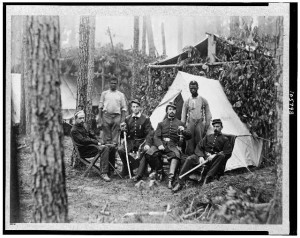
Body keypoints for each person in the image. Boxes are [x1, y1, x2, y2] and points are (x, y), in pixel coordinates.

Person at [172, 119, 232, 193]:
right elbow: (199, 146)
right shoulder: (208, 137)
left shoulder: (225, 139)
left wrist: (214, 156)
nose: (216, 128)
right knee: (190, 158)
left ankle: (207, 179)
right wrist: (200, 156)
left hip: (214, 160)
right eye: (214, 126)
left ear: (221, 127)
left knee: (221, 156)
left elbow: (227, 152)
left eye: (218, 126)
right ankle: (180, 182)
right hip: (204, 158)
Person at [145, 102, 191, 189]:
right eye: (170, 109)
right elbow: (156, 136)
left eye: (173, 109)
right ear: (167, 111)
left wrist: (184, 130)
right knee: (149, 153)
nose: (172, 111)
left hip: (172, 145)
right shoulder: (161, 124)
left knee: (175, 155)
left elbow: (189, 136)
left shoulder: (180, 123)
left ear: (175, 111)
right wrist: (159, 145)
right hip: (162, 144)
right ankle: (159, 171)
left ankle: (170, 179)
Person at [70, 110, 112, 182]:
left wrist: (99, 141)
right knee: (104, 148)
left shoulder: (84, 126)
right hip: (84, 150)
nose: (82, 120)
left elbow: (92, 135)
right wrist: (96, 143)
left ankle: (110, 169)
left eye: (83, 118)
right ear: (75, 119)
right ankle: (103, 173)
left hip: (90, 147)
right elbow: (83, 140)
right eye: (80, 118)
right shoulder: (74, 130)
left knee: (111, 146)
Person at [118, 99, 153, 178]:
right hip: (131, 141)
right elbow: (125, 134)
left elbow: (149, 133)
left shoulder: (145, 119)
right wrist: (123, 130)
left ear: (140, 108)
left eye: (137, 107)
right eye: (133, 107)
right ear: (131, 108)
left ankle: (142, 170)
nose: (135, 108)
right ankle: (128, 168)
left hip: (141, 141)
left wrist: (147, 144)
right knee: (120, 149)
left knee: (145, 150)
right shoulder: (128, 119)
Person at [181, 80, 212, 155]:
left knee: (200, 141)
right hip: (190, 123)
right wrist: (183, 127)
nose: (193, 90)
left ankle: (199, 158)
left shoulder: (203, 100)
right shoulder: (187, 101)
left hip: (200, 123)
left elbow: (208, 114)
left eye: (194, 88)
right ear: (189, 88)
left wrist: (206, 126)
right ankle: (189, 157)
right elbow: (183, 115)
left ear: (198, 87)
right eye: (191, 88)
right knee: (189, 141)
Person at [98, 76, 127, 145]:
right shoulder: (104, 94)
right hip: (106, 116)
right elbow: (100, 107)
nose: (113, 85)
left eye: (115, 83)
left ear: (117, 84)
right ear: (109, 84)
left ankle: (114, 152)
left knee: (115, 138)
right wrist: (100, 119)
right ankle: (107, 152)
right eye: (112, 83)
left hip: (117, 117)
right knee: (107, 137)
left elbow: (123, 108)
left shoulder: (120, 95)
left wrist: (122, 120)